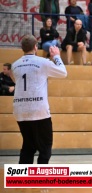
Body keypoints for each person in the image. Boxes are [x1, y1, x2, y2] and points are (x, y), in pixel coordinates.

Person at [11, 35, 67, 164]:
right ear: (36, 47)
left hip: (20, 110)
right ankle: (41, 176)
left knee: (28, 146)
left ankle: (23, 178)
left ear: (22, 48)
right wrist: (56, 56)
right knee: (45, 146)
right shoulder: (42, 62)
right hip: (38, 110)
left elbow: (16, 82)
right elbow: (63, 72)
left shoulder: (14, 65)